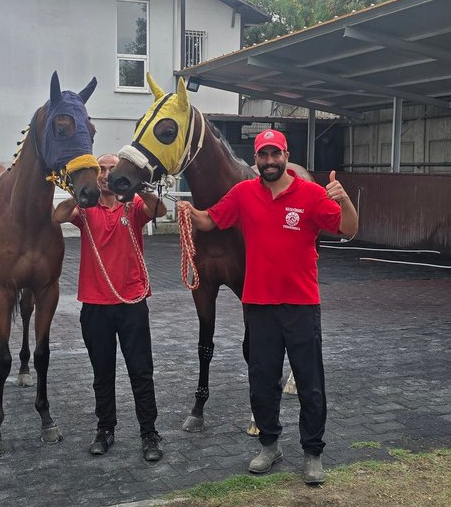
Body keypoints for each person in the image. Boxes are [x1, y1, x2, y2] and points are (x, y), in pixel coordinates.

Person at [187, 129, 358, 485]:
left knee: (310, 384)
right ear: (256, 159)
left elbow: (348, 229)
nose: (269, 161)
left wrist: (345, 200)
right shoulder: (243, 194)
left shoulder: (310, 194)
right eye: (262, 156)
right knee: (262, 381)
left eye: (274, 154)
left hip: (301, 305)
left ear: (285, 155)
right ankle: (269, 446)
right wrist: (189, 211)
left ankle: (312, 453)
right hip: (259, 306)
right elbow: (210, 220)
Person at [55, 153, 167, 462]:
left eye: (109, 169)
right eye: (100, 170)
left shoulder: (132, 208)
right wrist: (77, 192)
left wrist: (136, 184)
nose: (105, 174)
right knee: (102, 373)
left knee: (141, 371)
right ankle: (105, 429)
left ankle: (149, 433)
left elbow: (161, 209)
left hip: (132, 302)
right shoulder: (87, 209)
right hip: (95, 305)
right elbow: (58, 216)